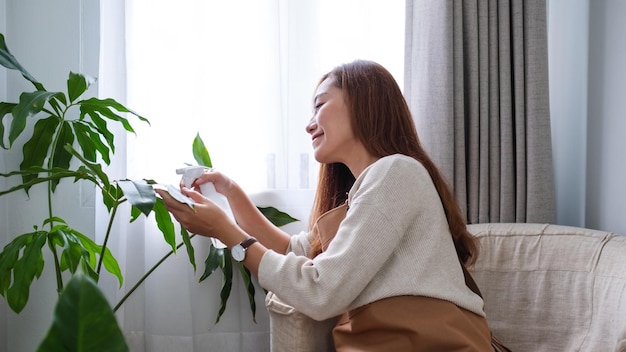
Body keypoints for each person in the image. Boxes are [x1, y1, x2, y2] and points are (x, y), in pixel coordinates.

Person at [157, 60, 494, 351]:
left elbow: (320, 291)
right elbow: (294, 249)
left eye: (319, 105)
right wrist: (231, 194)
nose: (309, 123)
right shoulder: (369, 189)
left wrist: (226, 233)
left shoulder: (397, 173)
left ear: (365, 104)